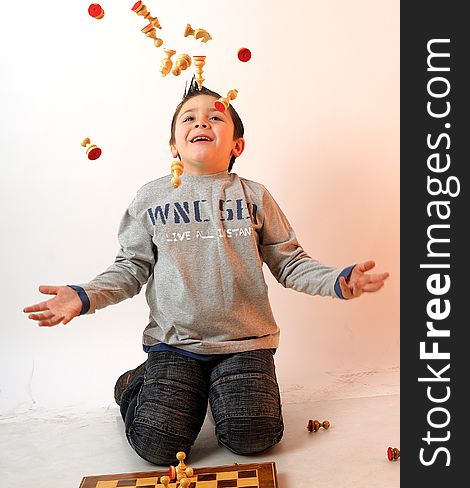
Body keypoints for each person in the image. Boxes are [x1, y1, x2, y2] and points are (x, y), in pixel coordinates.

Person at [24, 79, 389, 466]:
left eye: (216, 117)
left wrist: (336, 280)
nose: (202, 123)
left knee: (254, 437)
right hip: (175, 343)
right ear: (173, 146)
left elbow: (289, 262)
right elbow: (130, 269)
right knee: (158, 446)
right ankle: (135, 384)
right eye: (189, 118)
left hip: (244, 344)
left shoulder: (255, 196)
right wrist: (85, 296)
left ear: (236, 146)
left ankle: (217, 390)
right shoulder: (152, 197)